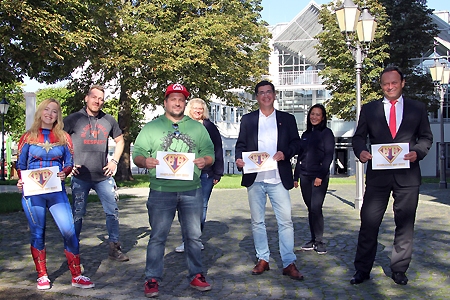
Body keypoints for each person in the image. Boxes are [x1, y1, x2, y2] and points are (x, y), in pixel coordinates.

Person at [351, 66, 433, 285]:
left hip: (407, 176)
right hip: (378, 177)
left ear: (402, 83)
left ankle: (399, 269)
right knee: (369, 222)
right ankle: (362, 270)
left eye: (394, 83)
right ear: (381, 85)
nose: (390, 87)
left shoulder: (418, 108)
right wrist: (361, 151)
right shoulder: (369, 109)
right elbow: (358, 138)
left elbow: (426, 138)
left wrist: (418, 151)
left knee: (405, 224)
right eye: (385, 84)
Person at [132, 83, 215, 298]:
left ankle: (196, 274)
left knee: (194, 236)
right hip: (161, 190)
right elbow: (138, 153)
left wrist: (203, 161)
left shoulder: (197, 128)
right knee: (158, 236)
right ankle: (152, 278)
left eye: (181, 99)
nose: (177, 102)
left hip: (191, 190)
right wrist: (145, 161)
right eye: (173, 99)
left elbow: (209, 153)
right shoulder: (151, 127)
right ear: (165, 102)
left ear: (184, 103)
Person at [16, 99, 95, 290]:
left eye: (54, 111)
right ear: (40, 112)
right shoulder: (27, 137)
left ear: (57, 116)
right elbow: (20, 164)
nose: (50, 114)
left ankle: (76, 275)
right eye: (46, 110)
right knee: (37, 231)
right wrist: (20, 179)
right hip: (33, 192)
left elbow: (68, 162)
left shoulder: (64, 137)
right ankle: (42, 275)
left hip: (56, 191)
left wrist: (64, 172)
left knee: (69, 231)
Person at [235, 80, 304, 281]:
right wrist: (239, 159)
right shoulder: (248, 120)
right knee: (257, 222)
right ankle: (263, 259)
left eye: (269, 92)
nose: (265, 96)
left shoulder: (287, 119)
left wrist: (286, 153)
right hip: (255, 178)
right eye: (261, 93)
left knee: (285, 222)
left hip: (278, 178)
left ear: (274, 95)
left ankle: (288, 262)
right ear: (256, 97)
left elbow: (297, 144)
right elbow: (240, 145)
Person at [63, 85, 129, 262]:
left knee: (112, 211)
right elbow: (59, 139)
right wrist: (67, 163)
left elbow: (120, 141)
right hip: (80, 176)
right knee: (78, 213)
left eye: (101, 99)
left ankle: (114, 247)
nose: (97, 101)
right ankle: (72, 250)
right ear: (86, 98)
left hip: (103, 176)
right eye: (94, 97)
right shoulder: (74, 119)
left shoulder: (108, 120)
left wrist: (114, 160)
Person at [175, 98, 224, 253]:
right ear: (189, 109)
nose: (197, 111)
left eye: (200, 109)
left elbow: (218, 149)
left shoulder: (210, 127)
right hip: (184, 173)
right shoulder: (181, 125)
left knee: (201, 207)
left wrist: (218, 172)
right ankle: (186, 240)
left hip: (206, 174)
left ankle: (195, 239)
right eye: (195, 108)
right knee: (183, 207)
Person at [293, 104, 335, 255]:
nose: (314, 117)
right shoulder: (306, 134)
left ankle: (319, 241)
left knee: (316, 207)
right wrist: (296, 176)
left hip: (318, 176)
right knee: (310, 208)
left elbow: (328, 156)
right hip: (304, 175)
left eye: (318, 115)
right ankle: (312, 239)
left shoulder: (326, 133)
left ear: (323, 117)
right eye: (312, 114)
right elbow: (300, 156)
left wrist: (320, 176)